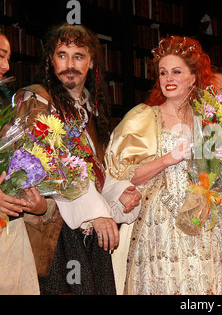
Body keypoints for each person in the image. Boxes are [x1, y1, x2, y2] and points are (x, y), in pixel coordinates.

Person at [104, 35, 222, 295]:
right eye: (163, 73)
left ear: (193, 77)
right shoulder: (144, 117)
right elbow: (125, 176)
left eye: (176, 72)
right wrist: (169, 158)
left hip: (206, 229)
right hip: (161, 228)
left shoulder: (211, 120)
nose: (168, 79)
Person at [12, 23, 142, 295]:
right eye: (62, 55)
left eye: (78, 56)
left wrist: (118, 192)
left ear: (91, 61)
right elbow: (46, 169)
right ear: (50, 59)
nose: (69, 64)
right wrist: (95, 212)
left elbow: (91, 171)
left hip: (86, 232)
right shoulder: (37, 99)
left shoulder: (89, 110)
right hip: (52, 234)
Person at [0, 31, 46, 295]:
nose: (6, 67)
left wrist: (37, 206)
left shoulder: (11, 111)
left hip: (12, 238)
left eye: (8, 58)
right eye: (0, 56)